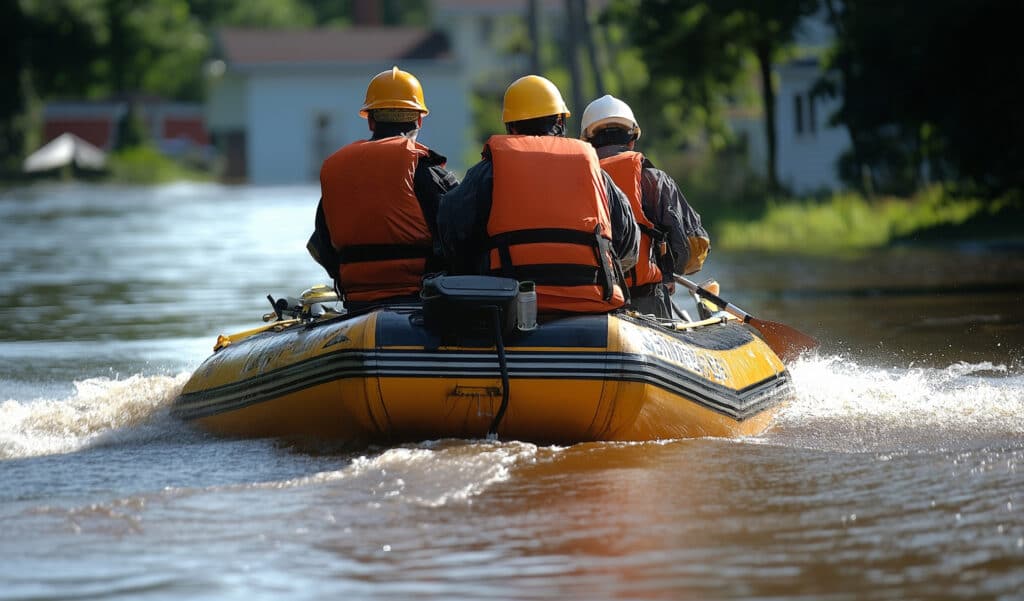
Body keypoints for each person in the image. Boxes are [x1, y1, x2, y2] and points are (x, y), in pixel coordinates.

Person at [437, 75, 640, 314]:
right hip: (589, 299)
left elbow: (451, 236)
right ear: (560, 122)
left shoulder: (485, 174)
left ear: (511, 126)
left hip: (508, 302)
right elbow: (628, 244)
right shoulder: (594, 171)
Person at [307, 66, 459, 308]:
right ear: (419, 119)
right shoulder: (425, 171)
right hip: (420, 299)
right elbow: (460, 235)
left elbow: (320, 246)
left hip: (357, 302)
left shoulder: (339, 172)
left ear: (370, 121)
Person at [580, 94, 710, 319]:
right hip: (646, 299)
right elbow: (692, 246)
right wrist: (669, 271)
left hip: (593, 300)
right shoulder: (653, 180)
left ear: (587, 143)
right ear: (632, 141)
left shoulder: (577, 180)